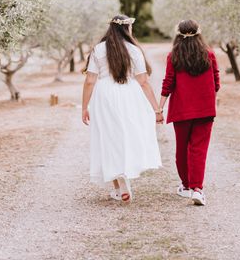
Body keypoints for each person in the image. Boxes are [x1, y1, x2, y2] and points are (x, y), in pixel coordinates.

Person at [82, 15, 163, 202]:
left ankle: (119, 185)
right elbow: (143, 81)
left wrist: (85, 106)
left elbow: (89, 80)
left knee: (109, 137)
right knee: (127, 134)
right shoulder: (134, 50)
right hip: (129, 94)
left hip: (104, 96)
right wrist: (156, 109)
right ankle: (124, 176)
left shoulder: (98, 49)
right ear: (127, 29)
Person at [159, 19, 220, 206]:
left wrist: (159, 108)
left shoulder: (173, 56)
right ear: (199, 34)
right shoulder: (208, 54)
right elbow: (216, 82)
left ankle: (186, 186)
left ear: (178, 35)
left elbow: (168, 83)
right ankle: (197, 189)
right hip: (205, 110)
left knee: (182, 149)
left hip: (181, 111)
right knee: (198, 150)